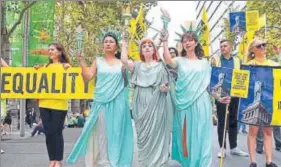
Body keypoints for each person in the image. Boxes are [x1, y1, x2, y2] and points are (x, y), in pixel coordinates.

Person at [67, 32, 133, 167]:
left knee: (116, 132)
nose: (108, 43)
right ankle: (104, 162)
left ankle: (116, 162)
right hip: (101, 102)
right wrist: (81, 61)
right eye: (105, 41)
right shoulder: (98, 61)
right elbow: (87, 77)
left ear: (116, 46)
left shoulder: (122, 62)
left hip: (118, 101)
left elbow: (128, 81)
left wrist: (126, 46)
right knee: (102, 132)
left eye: (111, 41)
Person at [121, 36, 173, 167]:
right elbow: (124, 61)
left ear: (154, 50)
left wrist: (165, 88)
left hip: (157, 102)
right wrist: (125, 43)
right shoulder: (137, 66)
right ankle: (145, 163)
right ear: (141, 51)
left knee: (158, 134)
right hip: (140, 102)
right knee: (142, 136)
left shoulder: (161, 67)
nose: (147, 47)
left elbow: (168, 85)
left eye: (150, 45)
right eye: (144, 46)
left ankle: (159, 163)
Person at [162, 31, 212, 167]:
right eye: (184, 41)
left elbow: (210, 86)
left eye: (190, 40)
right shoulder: (179, 61)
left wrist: (219, 97)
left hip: (201, 102)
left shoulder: (205, 63)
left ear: (196, 43)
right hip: (184, 102)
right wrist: (165, 42)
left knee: (201, 133)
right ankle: (189, 162)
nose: (187, 43)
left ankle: (202, 163)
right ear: (182, 44)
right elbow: (168, 60)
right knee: (186, 133)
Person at [34, 42, 71, 167]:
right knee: (48, 132)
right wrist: (35, 70)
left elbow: (72, 80)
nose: (50, 52)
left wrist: (68, 69)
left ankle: (58, 160)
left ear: (60, 52)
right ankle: (52, 160)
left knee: (57, 132)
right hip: (44, 104)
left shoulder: (66, 66)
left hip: (59, 105)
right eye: (49, 50)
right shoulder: (44, 67)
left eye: (53, 50)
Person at [210, 39, 249, 158]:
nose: (222, 48)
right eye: (221, 46)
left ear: (231, 47)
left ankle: (234, 147)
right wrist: (216, 96)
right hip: (221, 95)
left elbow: (243, 75)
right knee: (222, 122)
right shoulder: (215, 60)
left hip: (235, 95)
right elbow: (212, 77)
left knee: (233, 121)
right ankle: (222, 148)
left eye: (225, 46)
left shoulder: (238, 60)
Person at [246, 38, 279, 167]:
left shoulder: (273, 63)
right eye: (259, 45)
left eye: (264, 45)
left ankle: (269, 161)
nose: (263, 47)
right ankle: (253, 162)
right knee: (253, 131)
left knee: (268, 131)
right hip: (254, 100)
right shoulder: (248, 64)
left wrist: (278, 54)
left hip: (269, 100)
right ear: (253, 50)